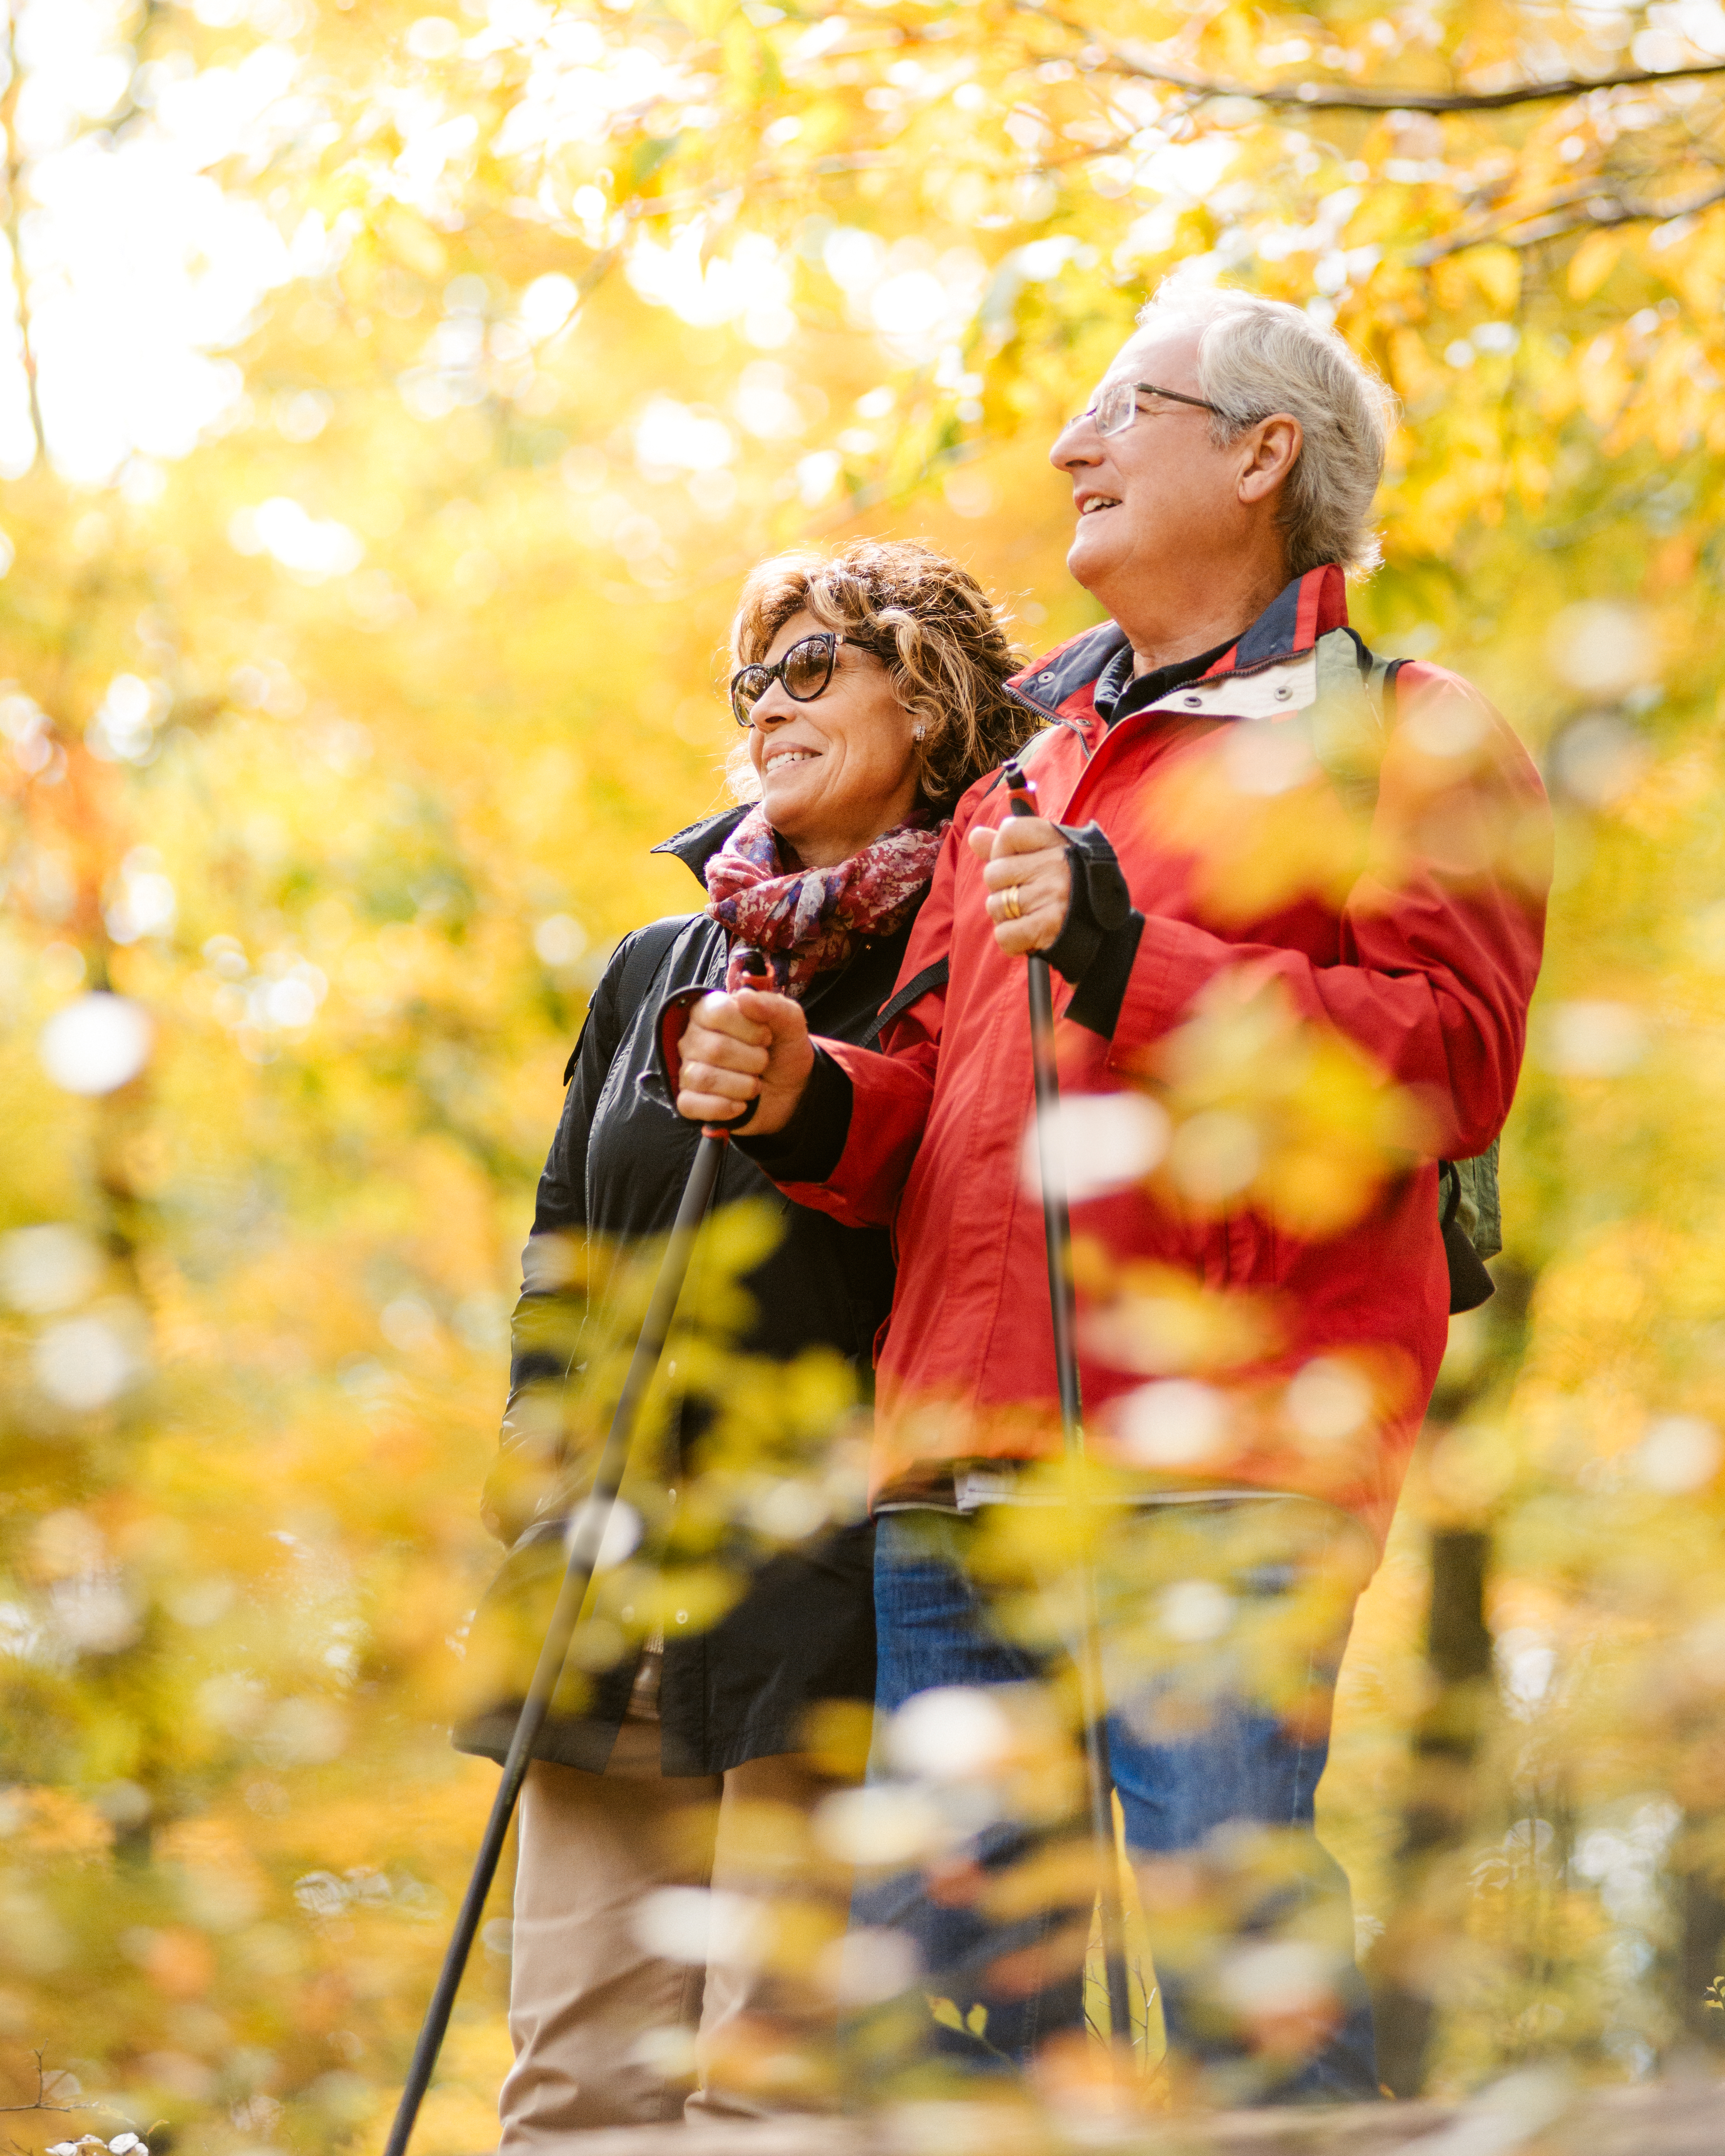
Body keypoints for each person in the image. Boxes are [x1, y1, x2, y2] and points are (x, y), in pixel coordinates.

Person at [673, 285, 1551, 2103]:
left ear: (1257, 454)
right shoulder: (1032, 755)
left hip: (1220, 1454)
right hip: (963, 1460)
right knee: (975, 2001)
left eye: (1116, 413)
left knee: (1227, 1965)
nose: (1068, 449)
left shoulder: (1410, 733)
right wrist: (803, 1101)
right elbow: (944, 1114)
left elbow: (1447, 1062)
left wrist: (1123, 949)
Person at [453, 538, 1037, 2142]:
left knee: (764, 2094)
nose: (765, 704)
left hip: (824, 1600)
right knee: (571, 2082)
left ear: (921, 697)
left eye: (809, 667)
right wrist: (542, 1480)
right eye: (749, 679)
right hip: (610, 1585)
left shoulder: (972, 956)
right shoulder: (655, 969)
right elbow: (561, 1261)